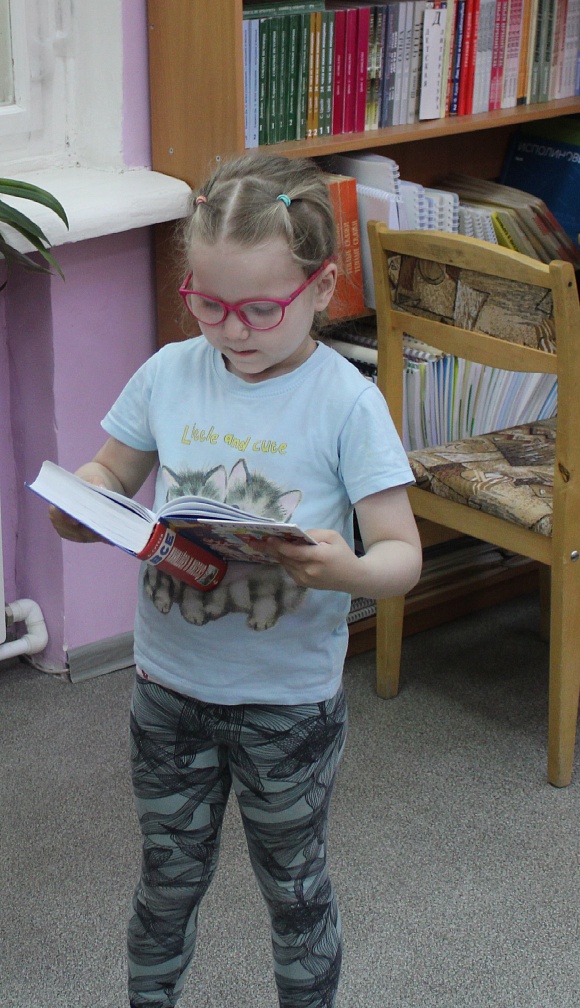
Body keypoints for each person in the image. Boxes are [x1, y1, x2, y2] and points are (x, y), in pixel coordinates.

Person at [48, 152, 422, 1008]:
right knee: (166, 880)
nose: (232, 330)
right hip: (167, 690)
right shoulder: (170, 372)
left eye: (259, 309)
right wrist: (85, 503)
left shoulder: (347, 402)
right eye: (208, 304)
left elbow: (402, 555)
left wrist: (348, 569)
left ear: (321, 289)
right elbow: (111, 470)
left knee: (293, 887)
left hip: (286, 706)